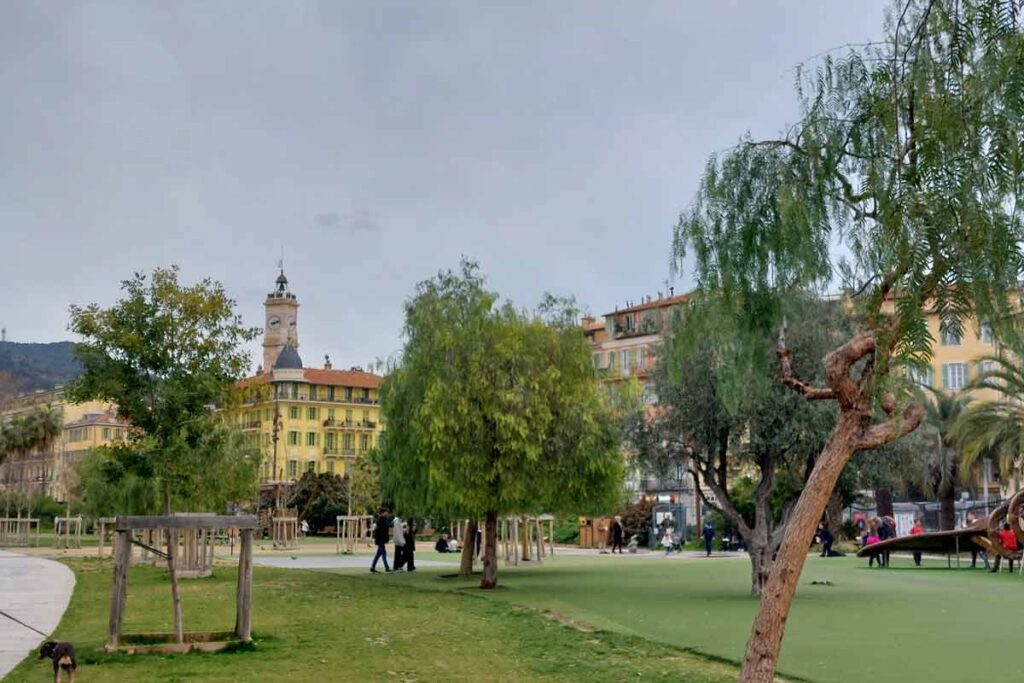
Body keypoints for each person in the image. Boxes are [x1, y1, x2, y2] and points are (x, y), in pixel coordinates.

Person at [370, 507, 391, 573]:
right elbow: (381, 531)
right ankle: (387, 567)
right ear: (383, 513)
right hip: (381, 539)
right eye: (386, 512)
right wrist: (383, 539)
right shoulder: (381, 520)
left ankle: (372, 567)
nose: (387, 513)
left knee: (378, 554)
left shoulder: (382, 519)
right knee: (384, 553)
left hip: (381, 539)